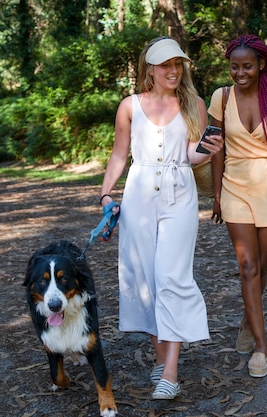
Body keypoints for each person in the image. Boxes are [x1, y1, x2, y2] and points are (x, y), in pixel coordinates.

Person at [99, 36, 223, 400]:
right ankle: (160, 357)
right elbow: (120, 155)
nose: (173, 70)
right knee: (144, 279)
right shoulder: (129, 106)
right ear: (149, 69)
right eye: (165, 64)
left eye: (177, 64)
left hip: (179, 194)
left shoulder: (194, 104)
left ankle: (170, 372)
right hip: (138, 194)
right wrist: (106, 193)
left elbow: (190, 154)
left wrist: (204, 150)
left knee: (171, 275)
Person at [208, 34, 267, 378]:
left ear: (261, 65)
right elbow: (216, 149)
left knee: (261, 265)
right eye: (234, 66)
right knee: (247, 267)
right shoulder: (222, 96)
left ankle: (248, 321)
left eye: (247, 66)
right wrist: (217, 194)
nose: (240, 73)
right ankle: (262, 348)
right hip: (234, 185)